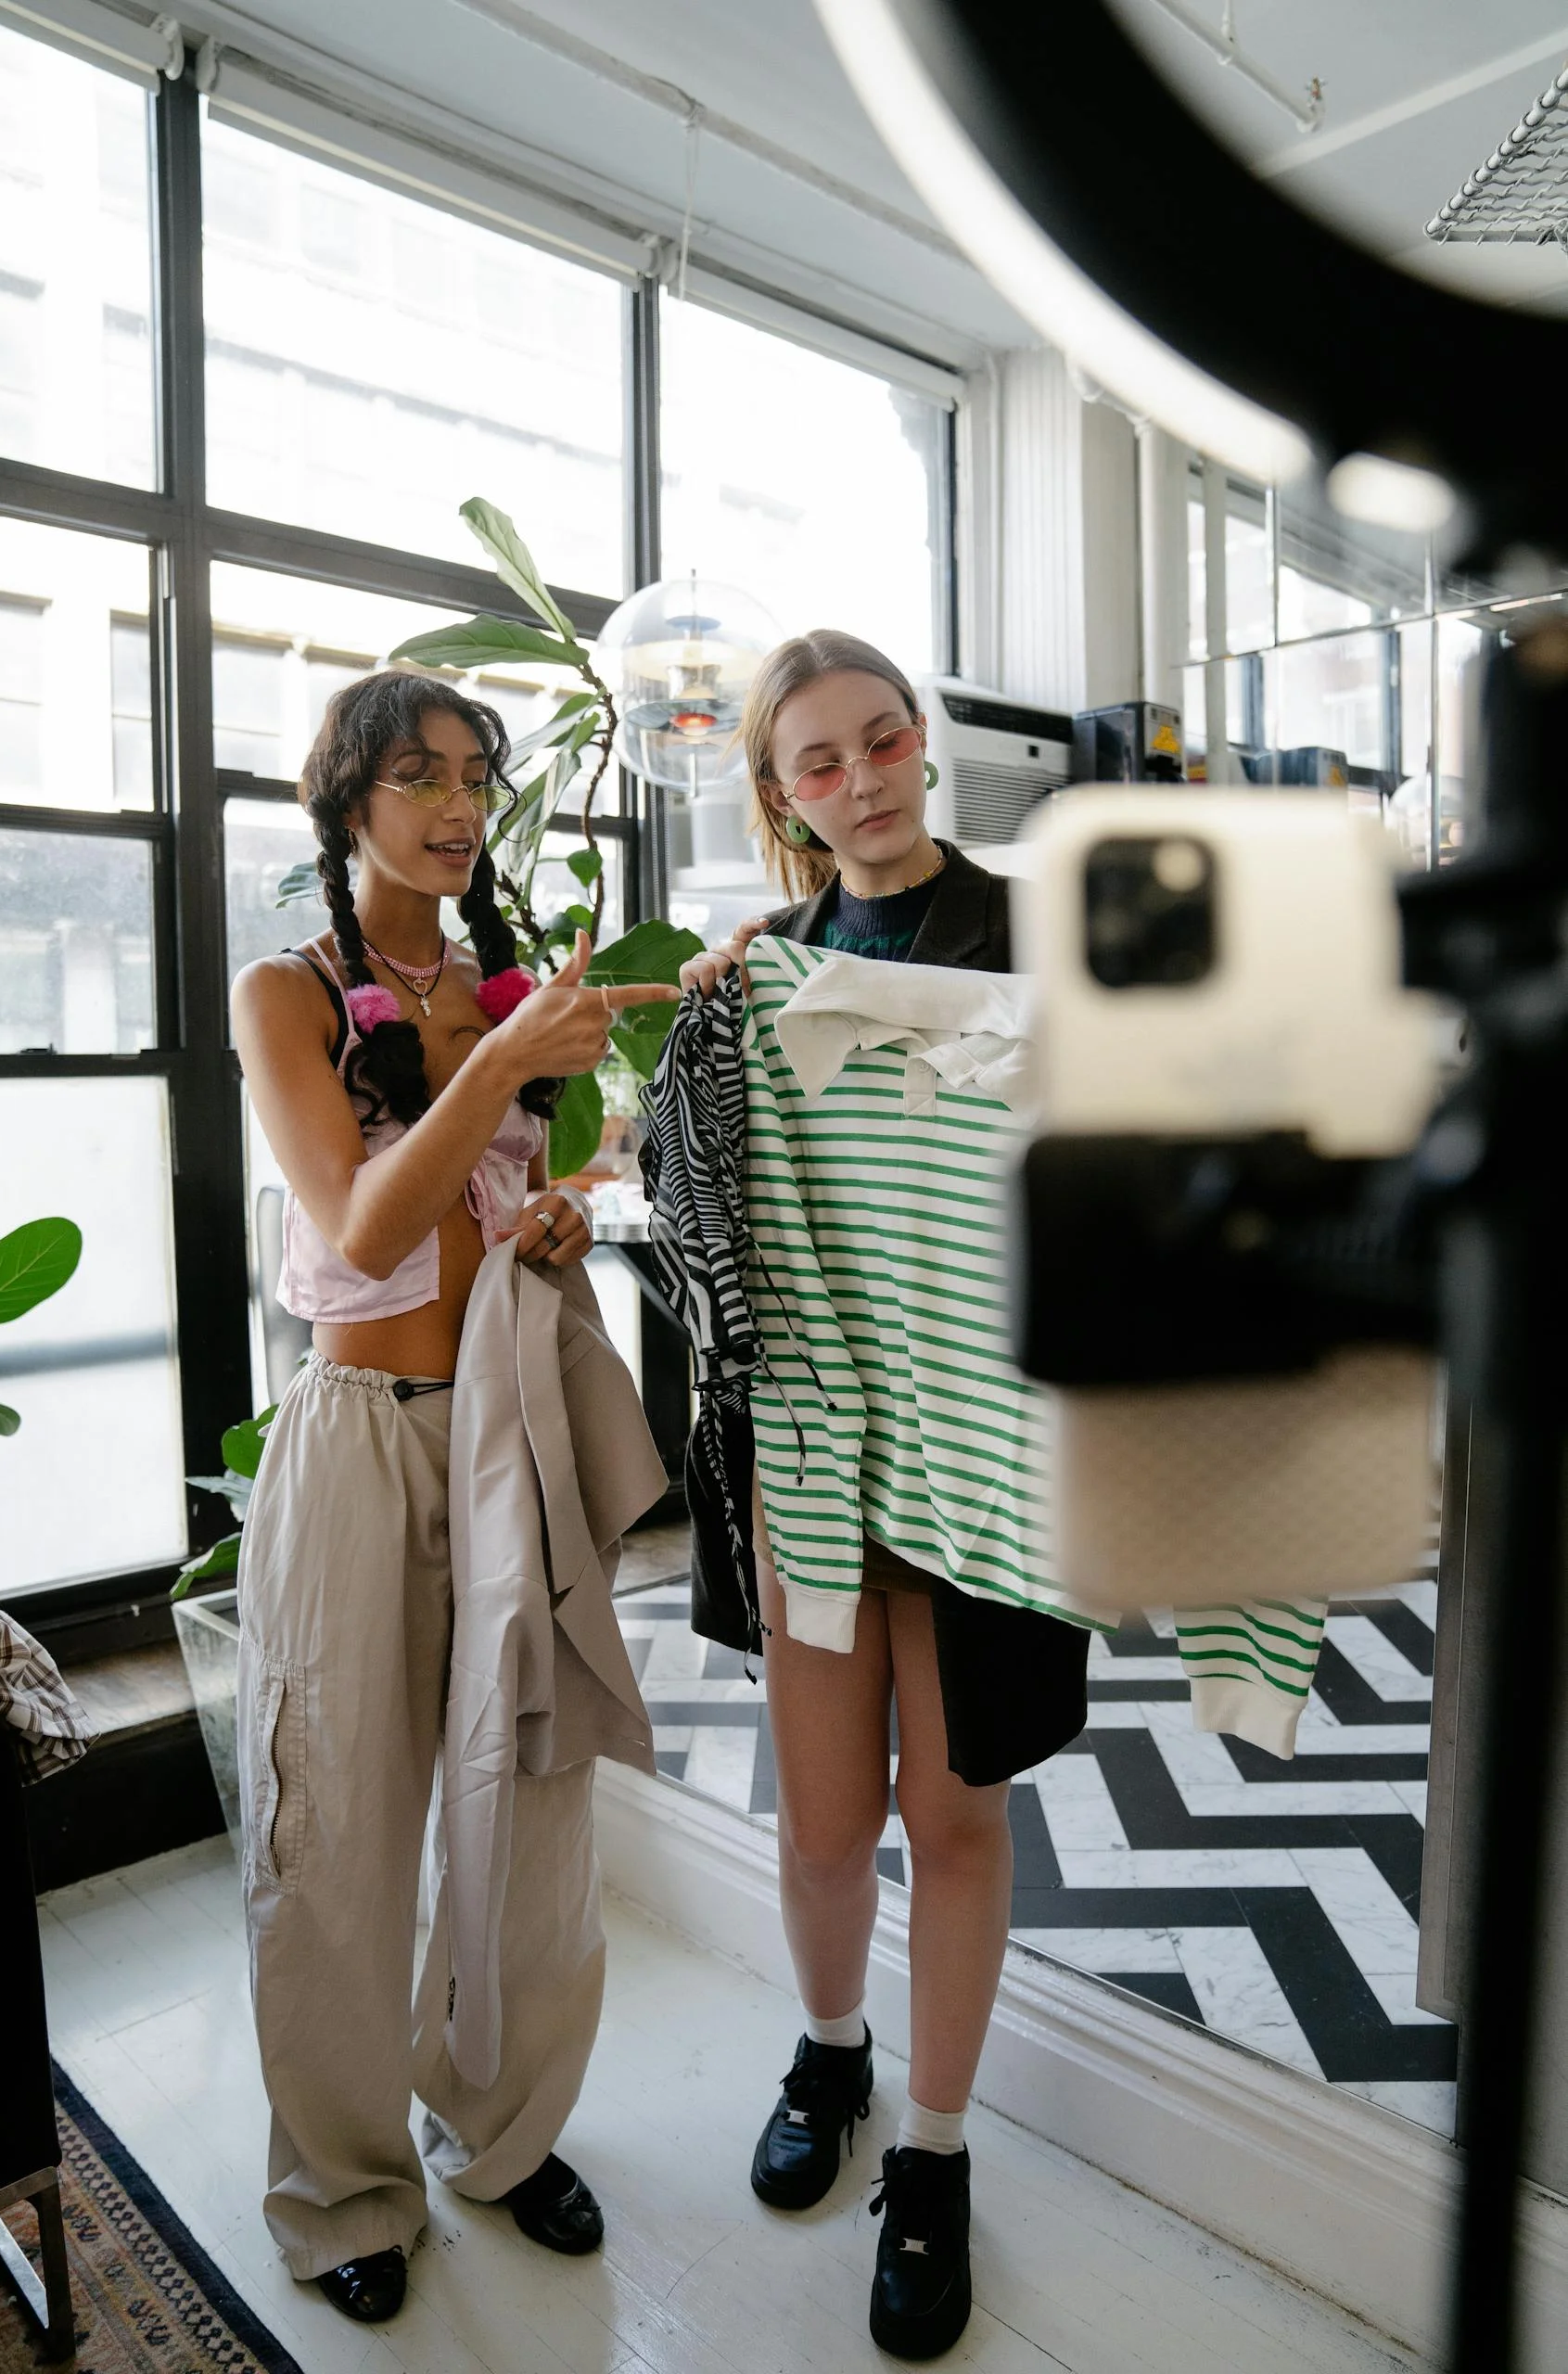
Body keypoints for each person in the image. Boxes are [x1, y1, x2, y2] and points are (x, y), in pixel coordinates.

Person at [231, 670, 676, 2325]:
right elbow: (359, 1231)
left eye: (476, 778)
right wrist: (502, 1062)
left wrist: (557, 1213)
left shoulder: (506, 990)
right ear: (344, 799)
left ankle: (505, 2128)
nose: (458, 806)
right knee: (337, 1826)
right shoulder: (284, 993)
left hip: (509, 1424)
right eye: (418, 775)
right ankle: (345, 2184)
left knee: (532, 1798)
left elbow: (514, 1199)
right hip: (360, 1437)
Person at [679, 631, 1089, 2362]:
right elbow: (688, 1196)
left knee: (957, 1813)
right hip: (817, 1446)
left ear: (921, 742)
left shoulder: (1043, 940)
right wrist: (707, 1029)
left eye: (880, 740)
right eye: (819, 761)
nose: (860, 780)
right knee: (825, 1819)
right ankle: (832, 2050)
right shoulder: (758, 971)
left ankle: (932, 2149)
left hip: (985, 1452)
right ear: (782, 795)